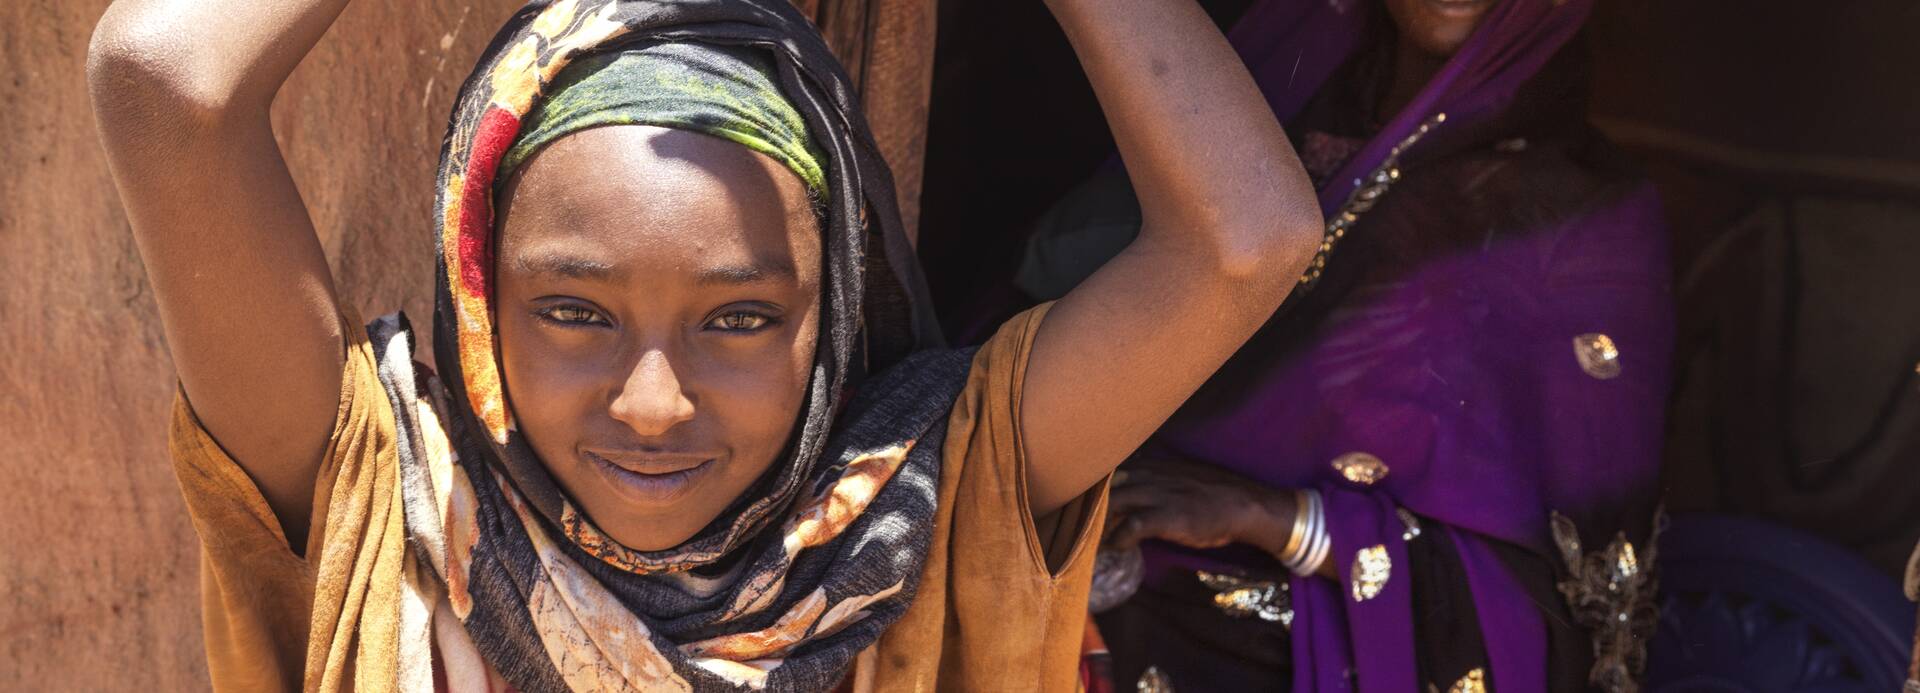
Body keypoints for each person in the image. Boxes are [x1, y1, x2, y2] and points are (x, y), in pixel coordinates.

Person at [86, 0, 1325, 689]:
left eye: (741, 319)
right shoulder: (375, 494)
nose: (653, 405)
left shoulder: (941, 501)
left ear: (829, 313)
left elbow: (1246, 244)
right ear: (482, 302)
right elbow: (162, 80)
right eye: (573, 312)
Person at [1009, 0, 1674, 690]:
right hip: (1092, 569)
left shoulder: (1589, 228)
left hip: (1297, 650)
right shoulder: (1258, 107)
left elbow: (1570, 615)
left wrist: (1281, 520)